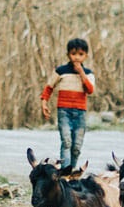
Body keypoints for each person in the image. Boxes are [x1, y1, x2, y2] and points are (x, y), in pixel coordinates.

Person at [40, 36, 95, 172]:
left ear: (86, 56)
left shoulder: (88, 73)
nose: (77, 57)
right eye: (73, 54)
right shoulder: (61, 71)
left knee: (76, 146)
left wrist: (81, 73)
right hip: (64, 111)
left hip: (80, 112)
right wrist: (44, 102)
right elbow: (49, 87)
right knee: (66, 142)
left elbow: (90, 90)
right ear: (68, 55)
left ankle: (73, 169)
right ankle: (65, 172)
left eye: (81, 54)